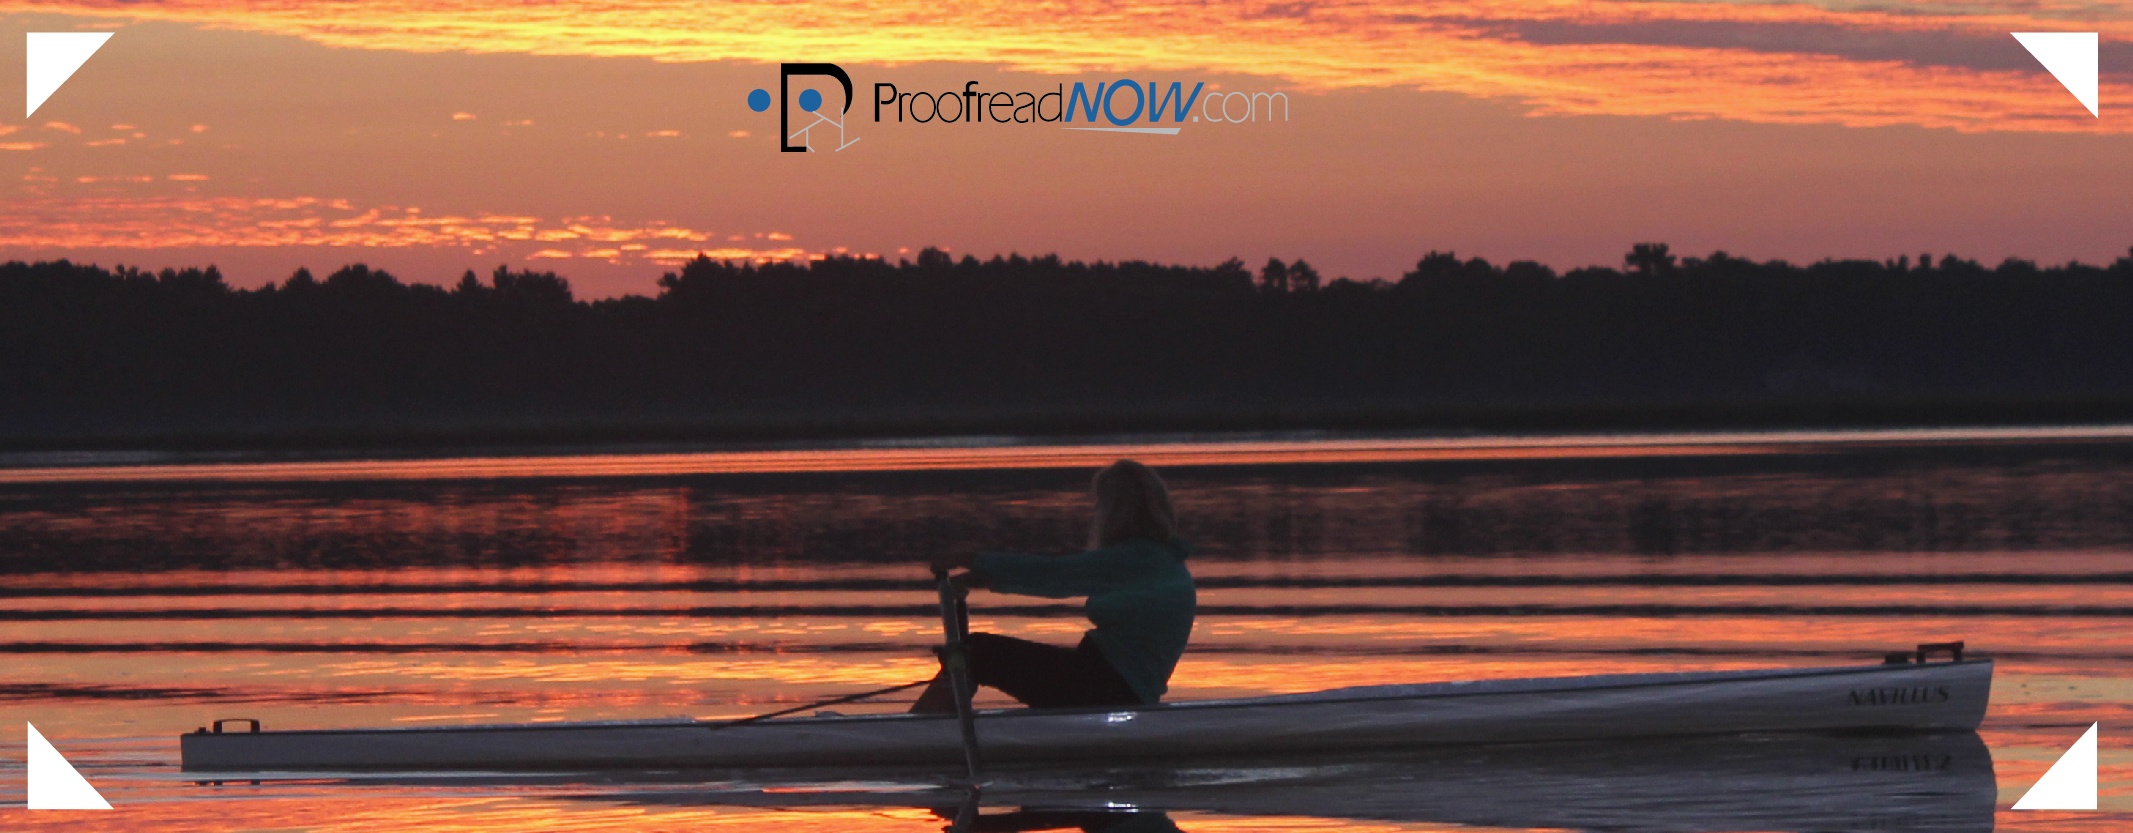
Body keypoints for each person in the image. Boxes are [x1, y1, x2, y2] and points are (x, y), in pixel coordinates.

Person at [913, 460, 1196, 712]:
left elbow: (1055, 575)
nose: (1096, 514)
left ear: (1116, 511)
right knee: (974, 652)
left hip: (1108, 689)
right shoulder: (1159, 559)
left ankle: (918, 734)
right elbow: (1062, 576)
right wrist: (987, 579)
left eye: (1100, 506)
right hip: (1107, 682)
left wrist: (975, 560)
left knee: (978, 652)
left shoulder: (1140, 558)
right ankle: (937, 725)